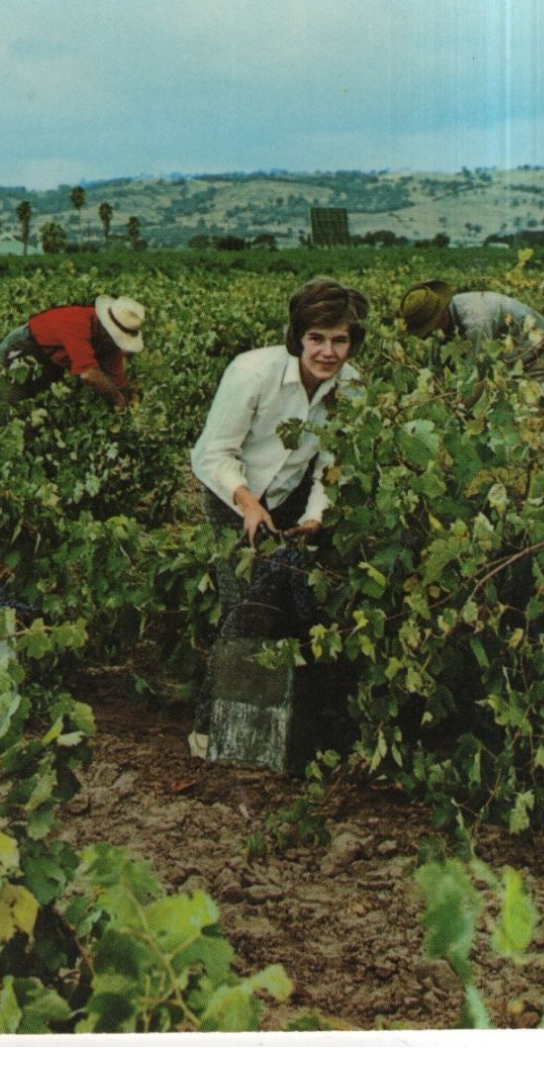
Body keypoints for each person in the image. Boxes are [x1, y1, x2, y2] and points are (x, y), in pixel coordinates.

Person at [188, 277, 368, 757]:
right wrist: (247, 504)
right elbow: (211, 455)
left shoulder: (350, 389)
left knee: (300, 597)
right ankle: (211, 729)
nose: (328, 352)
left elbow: (333, 465)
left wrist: (314, 519)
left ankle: (287, 724)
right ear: (297, 337)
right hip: (232, 493)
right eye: (317, 338)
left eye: (340, 340)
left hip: (289, 498)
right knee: (243, 604)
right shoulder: (252, 374)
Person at [397, 281, 544, 398]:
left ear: (440, 318)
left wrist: (456, 409)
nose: (429, 333)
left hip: (543, 358)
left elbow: (478, 378)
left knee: (537, 426)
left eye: (429, 328)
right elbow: (435, 370)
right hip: (511, 366)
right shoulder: (445, 321)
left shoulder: (475, 321)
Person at [0, 296, 146, 408]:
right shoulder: (77, 322)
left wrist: (127, 402)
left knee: (40, 410)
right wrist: (117, 399)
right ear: (104, 324)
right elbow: (88, 374)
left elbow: (117, 381)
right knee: (10, 408)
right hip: (23, 349)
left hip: (50, 360)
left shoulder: (111, 344)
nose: (116, 342)